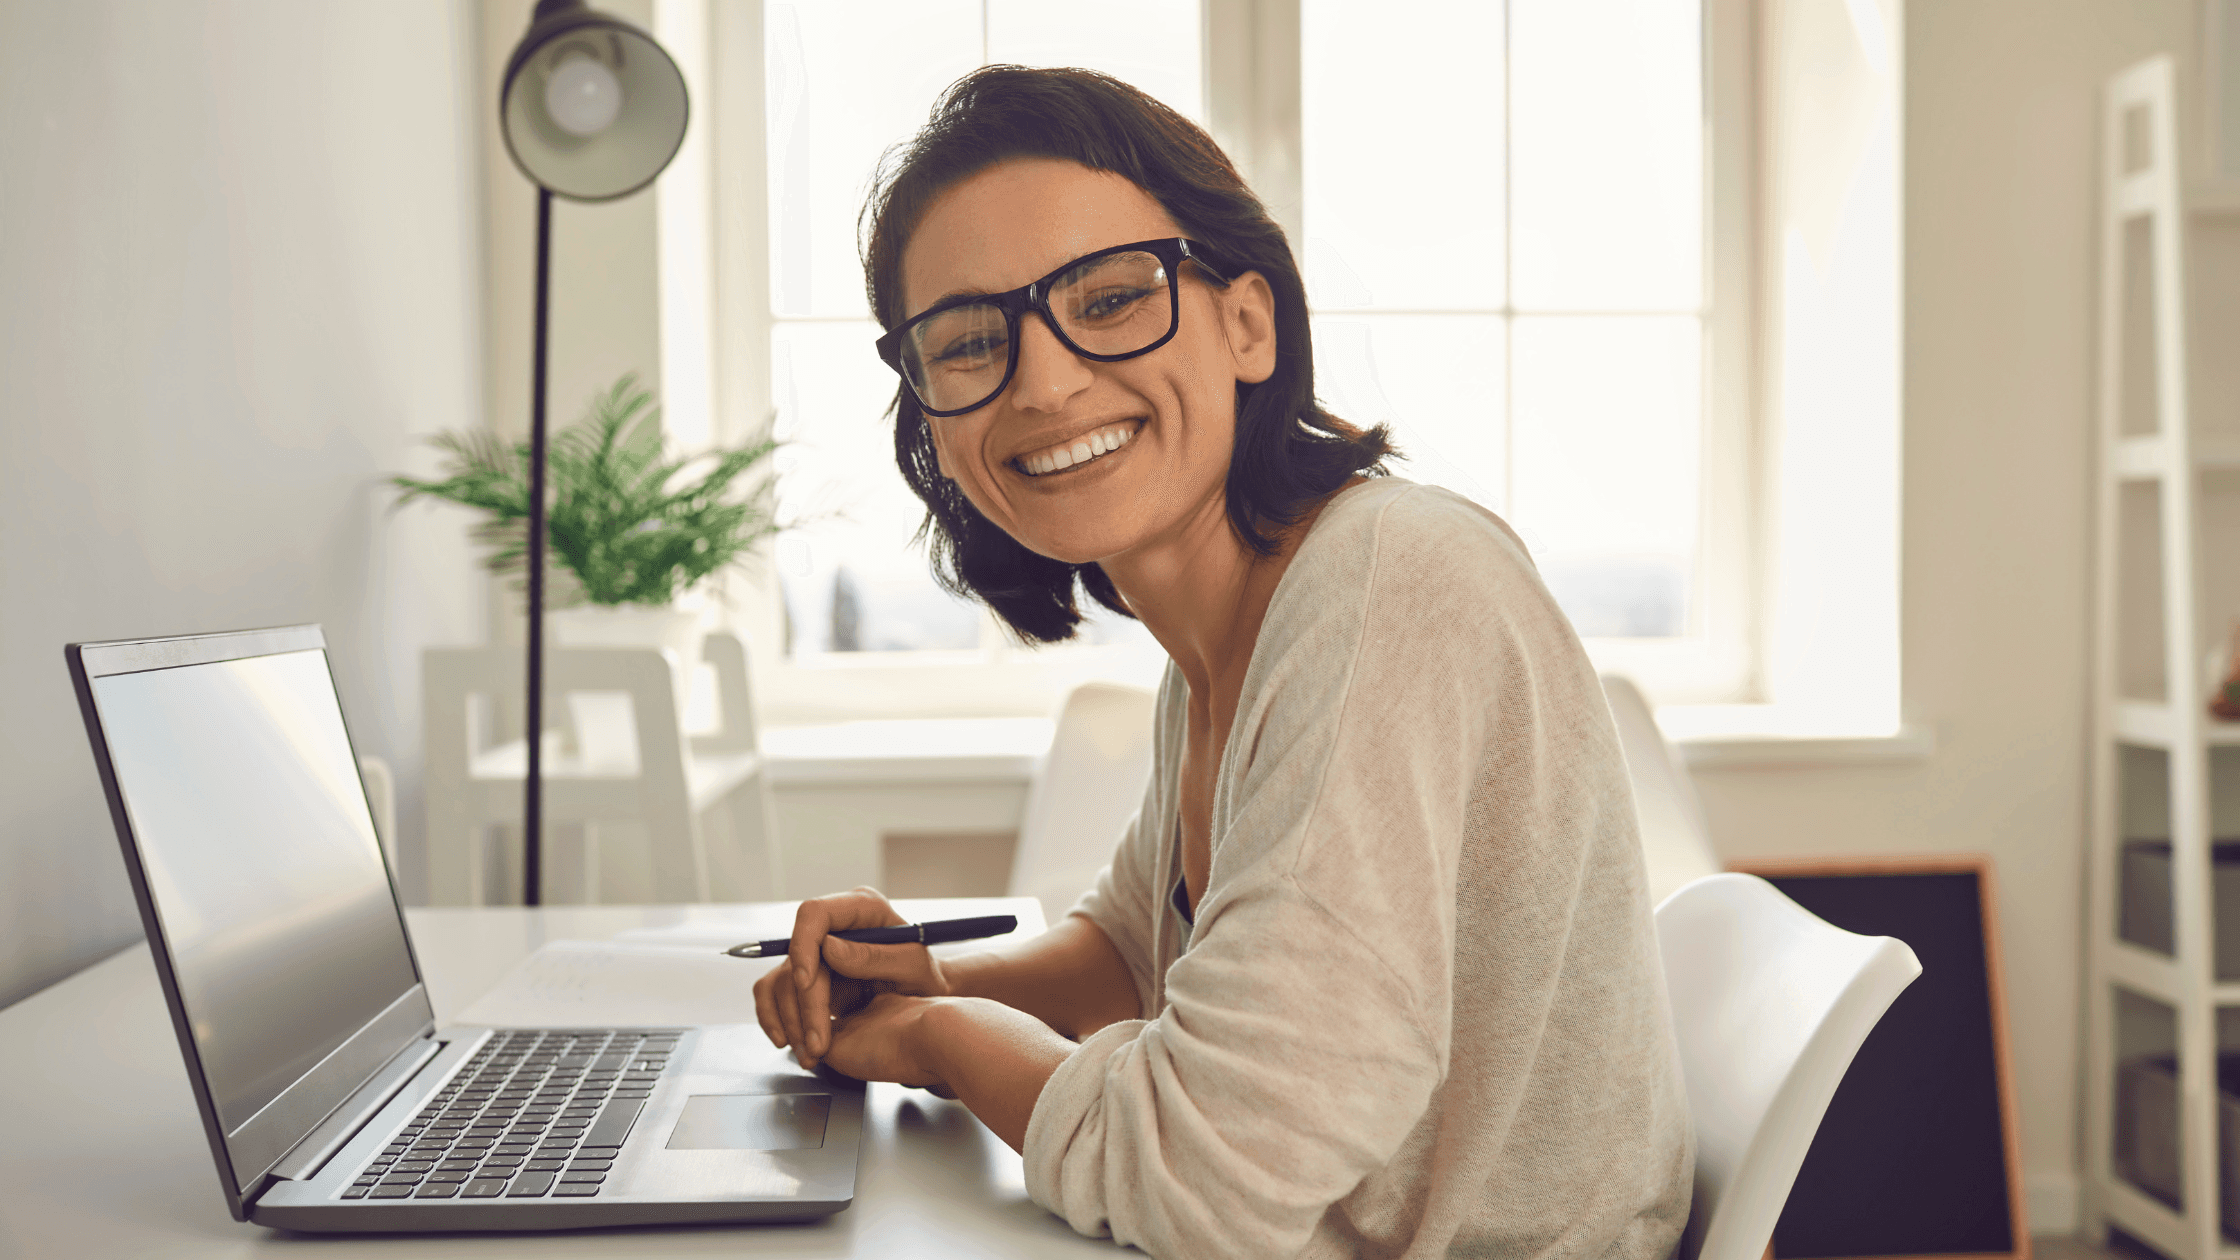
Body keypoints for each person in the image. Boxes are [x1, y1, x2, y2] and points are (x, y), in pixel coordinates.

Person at [752, 65, 1693, 1259]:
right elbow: (1133, 960)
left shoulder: (1386, 587)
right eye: (970, 341)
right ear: (930, 411)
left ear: (1246, 323)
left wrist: (936, 1044)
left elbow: (1205, 1178)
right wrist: (922, 978)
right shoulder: (1223, 637)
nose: (1042, 382)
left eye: (1105, 300)